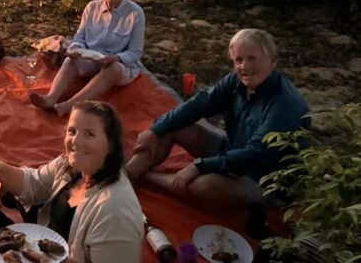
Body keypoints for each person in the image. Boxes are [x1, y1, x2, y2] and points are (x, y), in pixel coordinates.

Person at [125, 29, 310, 209]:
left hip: (263, 179)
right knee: (172, 125)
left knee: (204, 186)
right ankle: (127, 174)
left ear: (272, 61)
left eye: (252, 58)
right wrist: (155, 129)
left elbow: (255, 154)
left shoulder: (285, 105)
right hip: (231, 149)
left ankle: (149, 177)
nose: (244, 67)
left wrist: (200, 165)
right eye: (239, 60)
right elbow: (198, 104)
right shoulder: (236, 82)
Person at [0, 101, 143, 263]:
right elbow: (34, 184)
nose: (76, 141)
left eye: (89, 134)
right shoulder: (71, 166)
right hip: (40, 243)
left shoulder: (115, 211)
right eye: (72, 131)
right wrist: (0, 169)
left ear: (111, 144)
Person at [31, 0, 145, 117]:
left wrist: (115, 58)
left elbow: (135, 52)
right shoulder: (92, 7)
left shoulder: (136, 13)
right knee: (69, 61)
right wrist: (75, 49)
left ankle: (68, 106)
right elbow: (80, 37)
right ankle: (50, 98)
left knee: (113, 69)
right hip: (91, 59)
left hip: (118, 64)